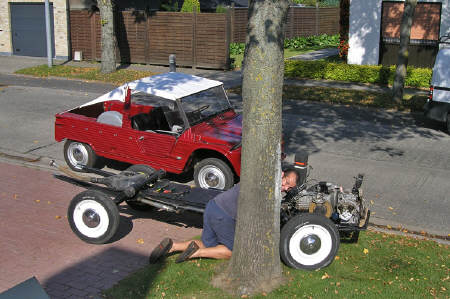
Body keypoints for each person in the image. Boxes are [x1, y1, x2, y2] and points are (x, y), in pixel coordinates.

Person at [149, 170, 299, 264]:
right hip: (224, 214)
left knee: (210, 246)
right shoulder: (268, 185)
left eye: (289, 188)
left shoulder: (264, 173)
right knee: (231, 252)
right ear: (283, 174)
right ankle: (194, 253)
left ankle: (172, 246)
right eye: (286, 183)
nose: (285, 188)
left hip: (213, 206)